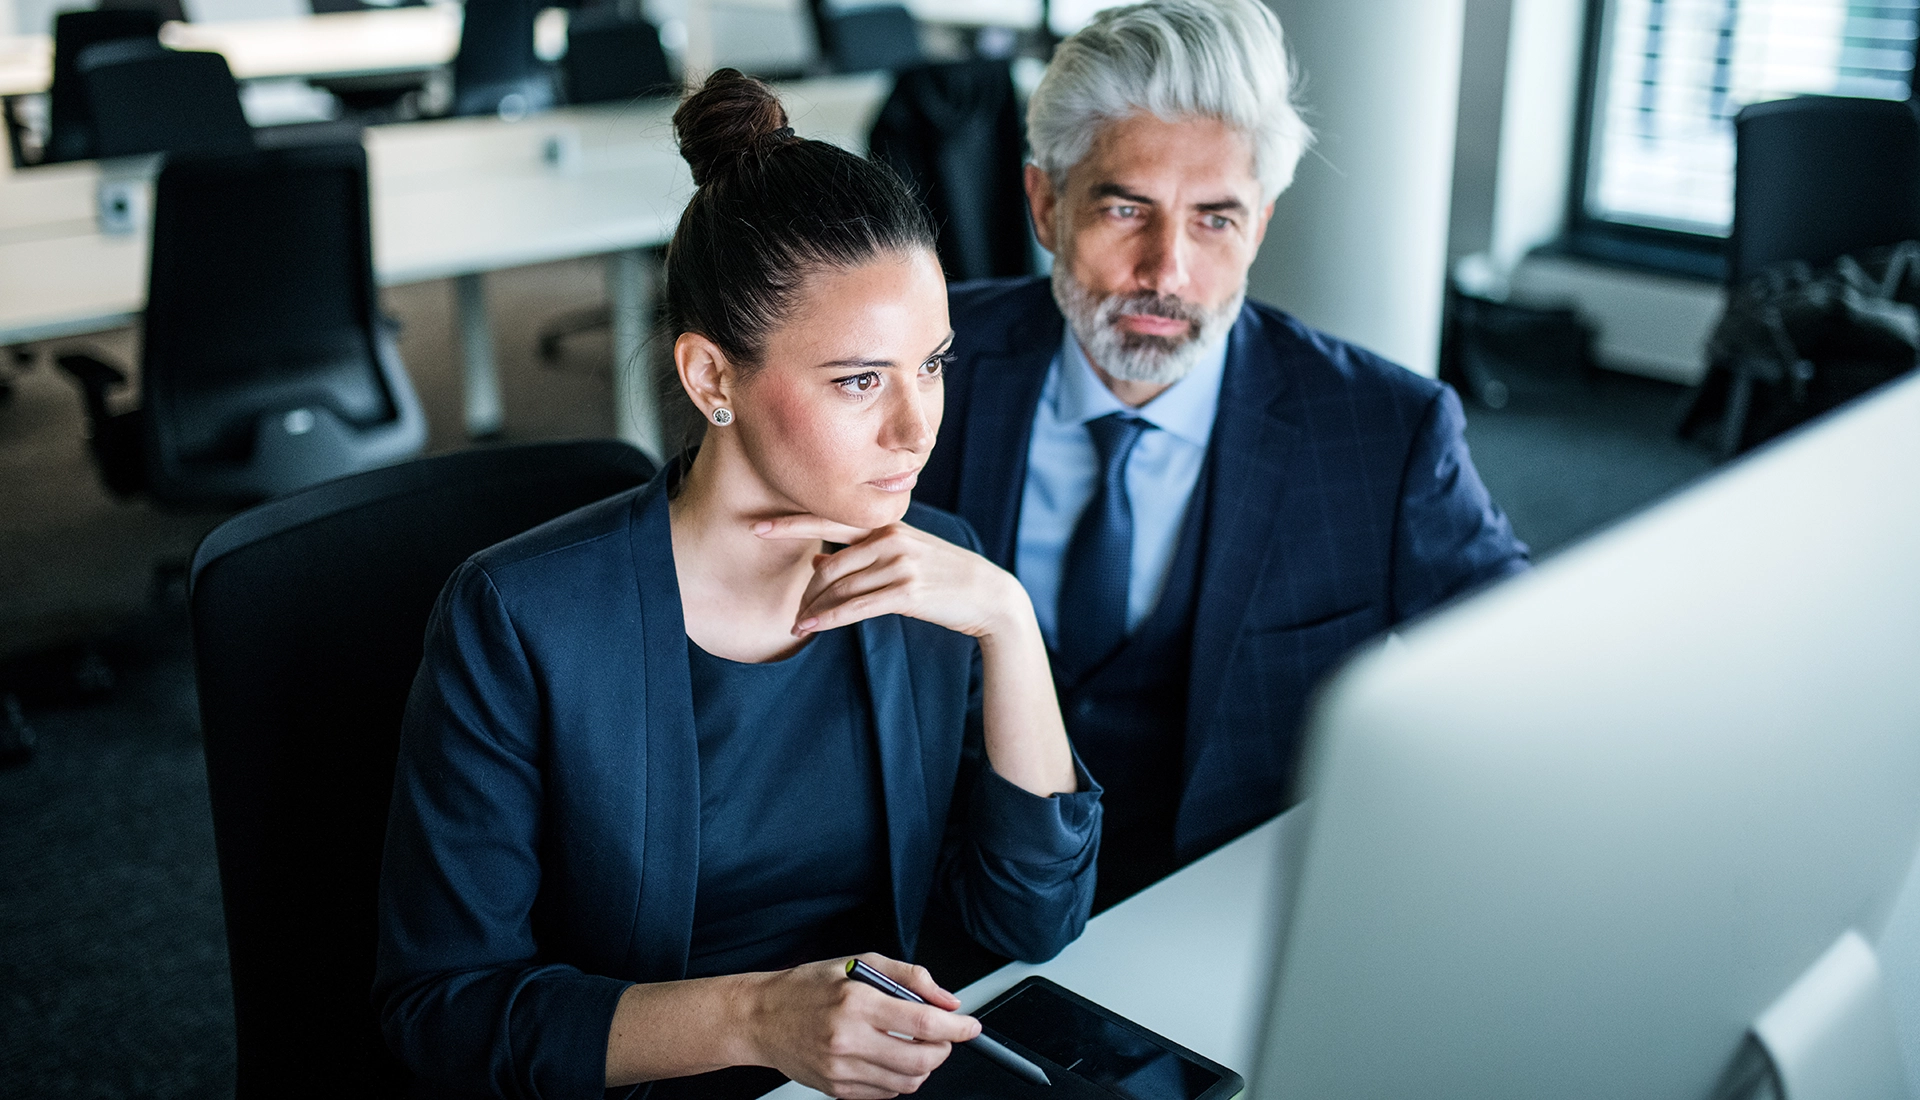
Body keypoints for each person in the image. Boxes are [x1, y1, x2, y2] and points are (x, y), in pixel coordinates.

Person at [374, 71, 1101, 1100]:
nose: (917, 427)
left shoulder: (939, 572)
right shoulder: (521, 617)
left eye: (931, 365)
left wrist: (1007, 620)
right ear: (711, 377)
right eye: (859, 379)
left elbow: (1035, 923)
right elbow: (442, 1007)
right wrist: (762, 1018)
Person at [917, 0, 1529, 911]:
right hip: (943, 886)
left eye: (1215, 221)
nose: (1167, 269)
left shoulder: (1386, 433)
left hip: (1217, 904)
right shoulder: (926, 362)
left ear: (1262, 225)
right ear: (1046, 203)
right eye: (1127, 208)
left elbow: (1527, 666)